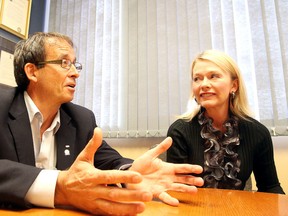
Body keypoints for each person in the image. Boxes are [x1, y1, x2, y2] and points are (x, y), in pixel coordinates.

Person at [0, 32, 204, 215]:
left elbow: (109, 161)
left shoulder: (81, 119)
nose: (75, 73)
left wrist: (130, 174)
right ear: (32, 71)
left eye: (75, 64)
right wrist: (59, 185)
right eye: (64, 63)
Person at [166, 49, 285, 194]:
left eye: (213, 76)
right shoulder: (179, 131)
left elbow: (270, 187)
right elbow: (176, 190)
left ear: (234, 85)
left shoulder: (258, 133)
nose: (203, 84)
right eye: (197, 78)